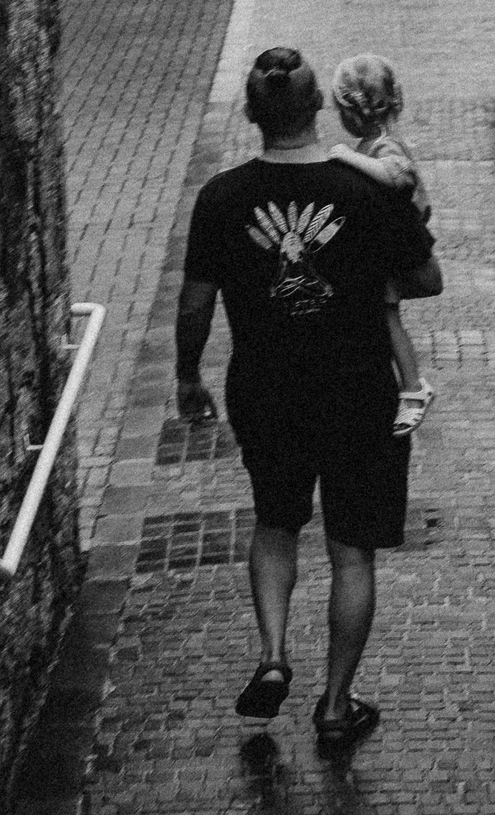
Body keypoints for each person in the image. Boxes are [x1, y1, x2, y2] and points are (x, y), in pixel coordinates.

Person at [175, 46, 441, 745]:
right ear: (317, 105)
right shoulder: (369, 192)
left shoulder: (221, 197)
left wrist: (186, 376)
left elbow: (196, 304)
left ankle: (271, 653)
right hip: (357, 392)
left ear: (250, 112)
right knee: (352, 552)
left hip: (264, 390)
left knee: (274, 522)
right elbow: (426, 276)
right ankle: (335, 704)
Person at [325, 53, 436, 435]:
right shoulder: (377, 142)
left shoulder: (384, 147)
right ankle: (409, 386)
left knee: (389, 319)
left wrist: (346, 157)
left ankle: (412, 388)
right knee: (384, 317)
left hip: (395, 253)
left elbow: (400, 177)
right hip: (390, 247)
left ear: (349, 110)